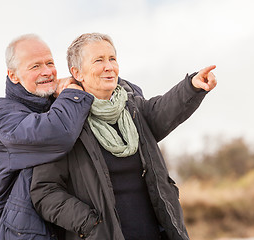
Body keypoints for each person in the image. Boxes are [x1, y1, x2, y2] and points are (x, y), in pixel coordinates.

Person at [30, 33, 217, 240]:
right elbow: (44, 192)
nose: (109, 66)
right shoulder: (64, 123)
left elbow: (163, 109)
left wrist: (191, 87)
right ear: (77, 72)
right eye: (98, 60)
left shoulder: (134, 109)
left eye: (112, 58)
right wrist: (89, 223)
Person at [0, 34, 94, 239]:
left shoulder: (58, 104)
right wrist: (72, 91)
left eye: (50, 63)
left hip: (69, 227)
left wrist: (87, 81)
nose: (47, 72)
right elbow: (58, 134)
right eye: (35, 66)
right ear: (13, 76)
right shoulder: (1, 115)